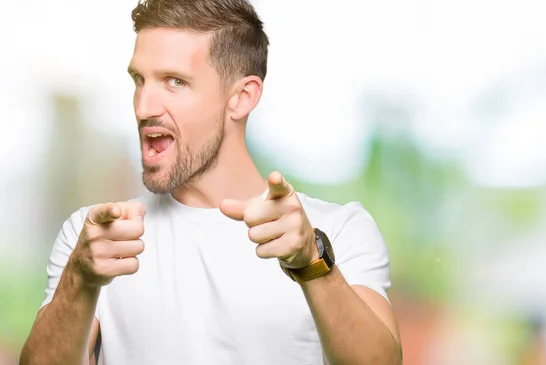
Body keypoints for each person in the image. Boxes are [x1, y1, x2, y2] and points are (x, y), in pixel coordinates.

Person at [20, 0, 402, 364]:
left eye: (174, 82)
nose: (143, 106)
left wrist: (312, 264)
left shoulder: (341, 230)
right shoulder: (96, 239)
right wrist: (78, 280)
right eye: (139, 80)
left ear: (242, 97)